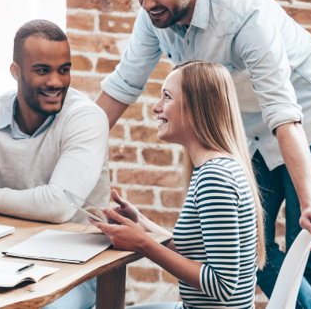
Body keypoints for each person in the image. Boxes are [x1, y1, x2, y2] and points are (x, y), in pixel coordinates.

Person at [96, 0, 311, 306]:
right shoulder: (153, 16)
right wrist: (74, 149)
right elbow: (122, 86)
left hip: (308, 120)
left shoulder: (245, 16)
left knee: (305, 242)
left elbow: (283, 114)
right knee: (249, 244)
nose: (146, 3)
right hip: (251, 130)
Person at [0, 20, 109, 309]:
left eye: (64, 69)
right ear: (16, 72)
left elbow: (59, 205)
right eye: (42, 70)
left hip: (75, 266)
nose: (56, 82)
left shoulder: (86, 118)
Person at [93, 61, 264, 309]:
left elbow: (223, 286)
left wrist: (141, 242)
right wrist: (141, 223)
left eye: (167, 97)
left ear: (196, 108)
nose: (156, 107)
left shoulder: (214, 177)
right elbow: (195, 250)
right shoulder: (216, 168)